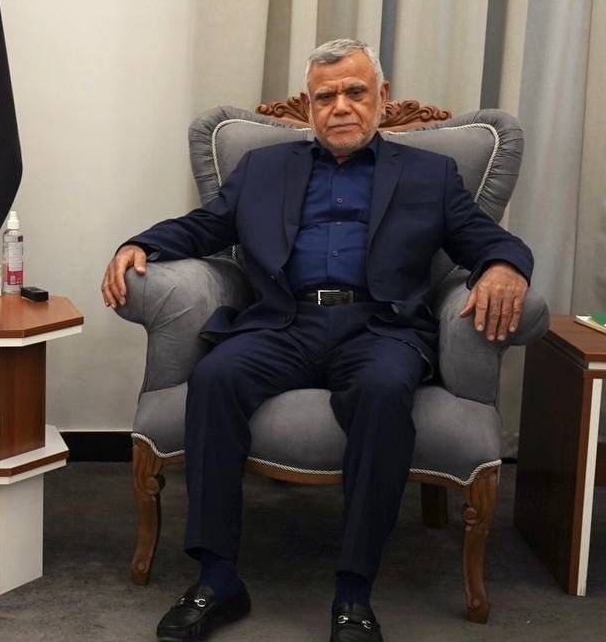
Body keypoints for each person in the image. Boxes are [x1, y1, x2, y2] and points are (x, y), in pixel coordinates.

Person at [101, 39, 532, 642]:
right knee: (215, 378)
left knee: (383, 391)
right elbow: (206, 225)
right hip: (285, 321)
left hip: (379, 327)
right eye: (325, 96)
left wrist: (506, 266)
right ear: (309, 107)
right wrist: (139, 244)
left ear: (381, 97)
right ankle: (217, 577)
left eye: (355, 92)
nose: (341, 106)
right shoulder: (264, 169)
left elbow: (486, 239)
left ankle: (354, 591)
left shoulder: (429, 175)